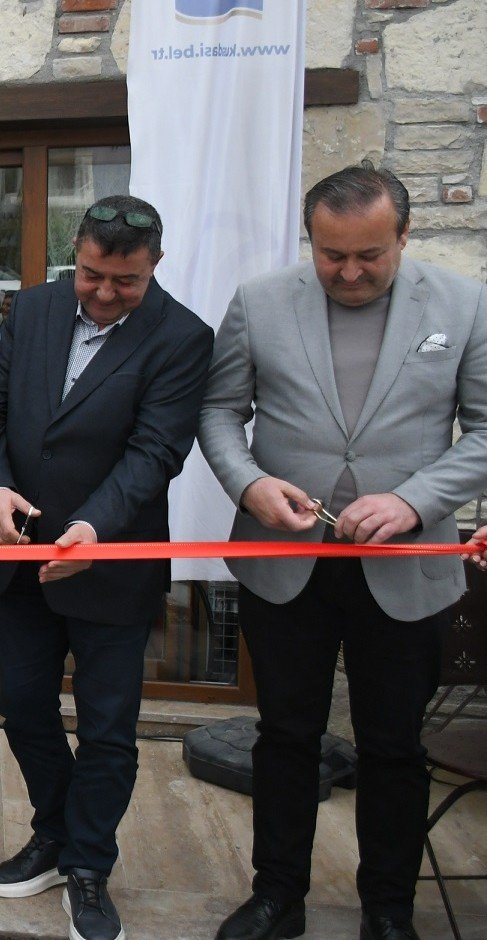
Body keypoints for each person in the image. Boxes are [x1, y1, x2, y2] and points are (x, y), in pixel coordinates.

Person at [200, 166, 487, 940]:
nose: (349, 273)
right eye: (331, 256)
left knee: (392, 747)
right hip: (284, 562)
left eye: (368, 255)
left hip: (405, 568)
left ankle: (387, 910)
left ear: (402, 235)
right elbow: (222, 413)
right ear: (310, 241)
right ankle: (276, 897)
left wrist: (412, 500)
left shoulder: (463, 304)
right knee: (284, 736)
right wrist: (250, 485)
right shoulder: (259, 302)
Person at [0, 194, 213, 940]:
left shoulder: (182, 338)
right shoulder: (34, 310)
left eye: (125, 281)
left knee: (107, 731)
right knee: (24, 708)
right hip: (21, 560)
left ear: (154, 267)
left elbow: (154, 453)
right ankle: (55, 833)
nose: (104, 294)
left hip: (108, 567)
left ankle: (88, 867)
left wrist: (90, 529)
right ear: (74, 256)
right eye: (91, 274)